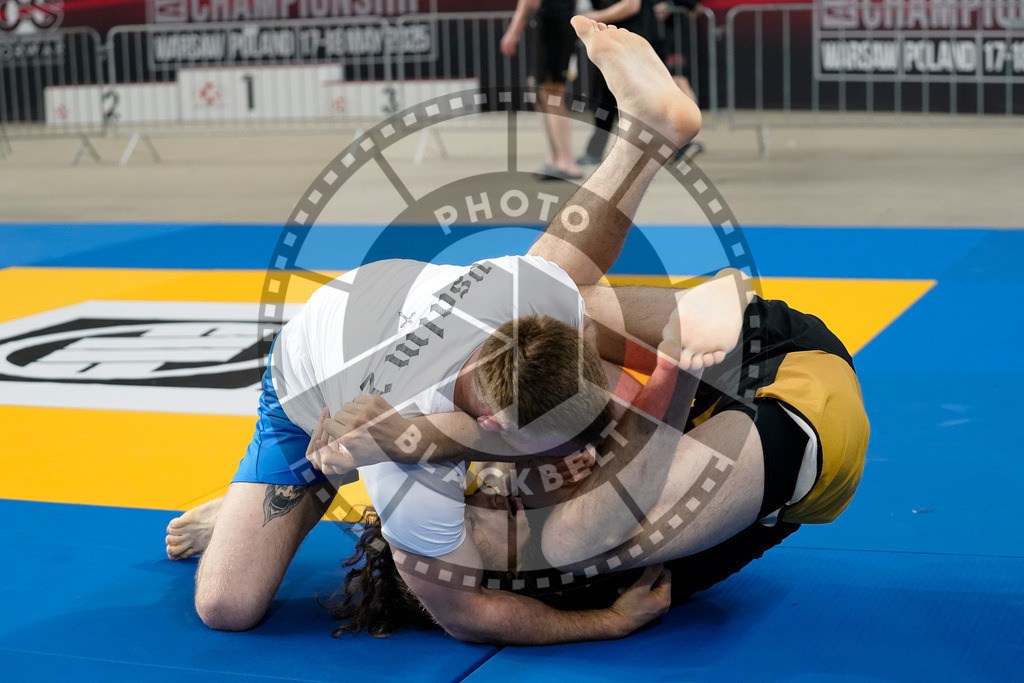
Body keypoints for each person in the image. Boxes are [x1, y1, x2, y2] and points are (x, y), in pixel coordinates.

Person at [166, 16, 704, 645]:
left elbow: (581, 250)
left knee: (561, 269)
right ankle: (252, 511)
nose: (571, 458)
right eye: (554, 448)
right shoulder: (403, 466)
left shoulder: (531, 304)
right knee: (228, 605)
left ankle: (646, 135)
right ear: (494, 427)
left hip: (390, 300)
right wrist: (609, 622)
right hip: (309, 381)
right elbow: (468, 615)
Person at [313, 265, 869, 639]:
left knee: (546, 330)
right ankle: (683, 352)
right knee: (569, 540)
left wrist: (377, 438)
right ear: (482, 572)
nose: (489, 499)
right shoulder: (562, 564)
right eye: (478, 522)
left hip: (766, 351)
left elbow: (505, 412)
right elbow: (474, 615)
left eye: (476, 499)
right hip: (802, 435)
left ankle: (689, 323)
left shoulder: (519, 485)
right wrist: (611, 620)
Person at [501, 0, 583, 180]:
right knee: (542, 92)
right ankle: (556, 157)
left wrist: (513, 31)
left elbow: (529, 1)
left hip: (554, 25)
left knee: (552, 94)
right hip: (552, 23)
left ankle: (567, 162)